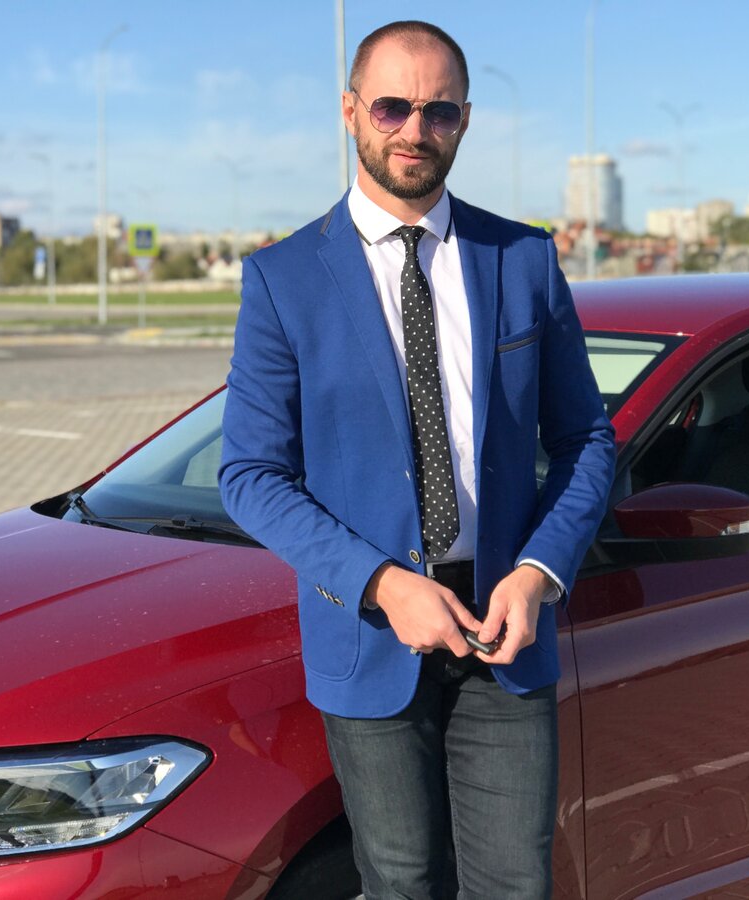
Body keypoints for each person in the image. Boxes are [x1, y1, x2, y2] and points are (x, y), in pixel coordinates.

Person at [219, 19, 615, 899]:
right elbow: (249, 474)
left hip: (505, 632)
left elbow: (586, 439)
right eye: (392, 107)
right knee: (401, 885)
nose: (414, 130)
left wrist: (539, 574)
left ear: (465, 120)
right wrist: (384, 585)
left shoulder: (523, 259)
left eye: (439, 111)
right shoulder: (284, 279)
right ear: (351, 111)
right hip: (371, 634)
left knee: (515, 884)